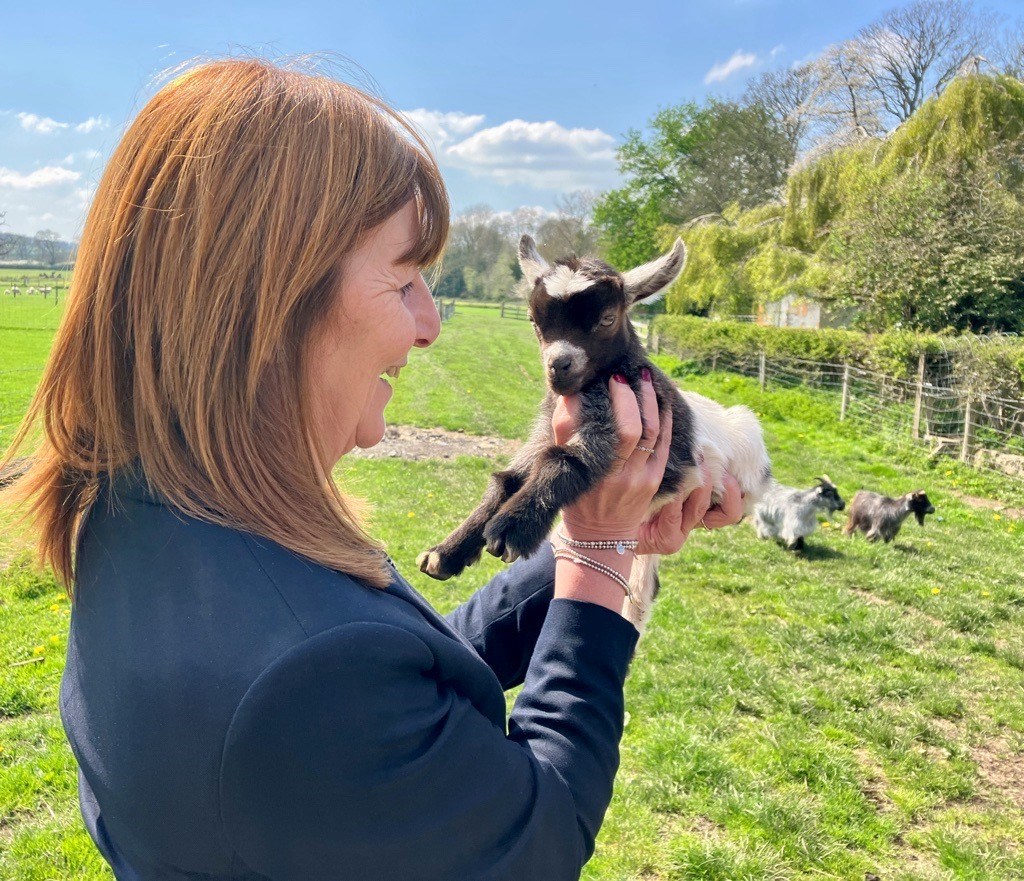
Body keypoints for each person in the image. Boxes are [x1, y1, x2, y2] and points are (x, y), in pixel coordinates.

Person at [1, 59, 743, 880]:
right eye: (405, 276)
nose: (430, 322)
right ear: (269, 298)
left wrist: (602, 535)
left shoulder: (150, 513)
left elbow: (391, 697)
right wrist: (601, 561)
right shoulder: (299, 672)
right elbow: (538, 838)